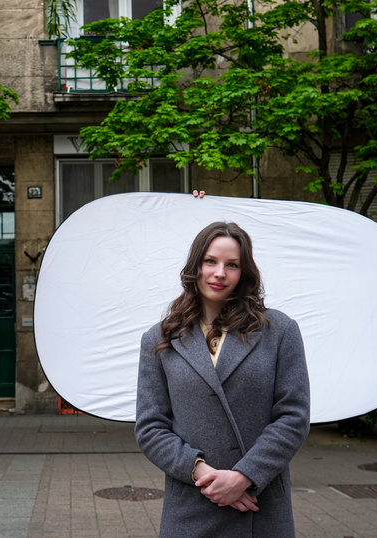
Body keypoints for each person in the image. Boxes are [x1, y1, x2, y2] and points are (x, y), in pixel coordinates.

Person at [135, 221, 310, 537]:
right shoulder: (160, 339)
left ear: (244, 273)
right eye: (211, 261)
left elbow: (293, 417)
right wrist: (202, 473)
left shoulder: (279, 331)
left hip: (260, 503)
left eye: (232, 265)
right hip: (191, 503)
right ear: (196, 266)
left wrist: (244, 475)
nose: (220, 273)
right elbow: (151, 427)